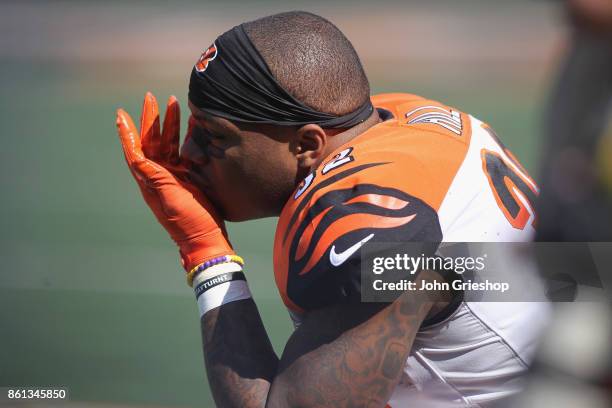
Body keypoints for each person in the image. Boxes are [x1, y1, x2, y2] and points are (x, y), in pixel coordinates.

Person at [116, 11, 550, 407]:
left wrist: (206, 253)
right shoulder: (402, 116)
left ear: (307, 144)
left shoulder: (366, 219)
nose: (189, 153)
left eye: (216, 137)